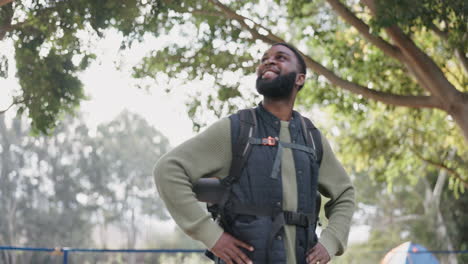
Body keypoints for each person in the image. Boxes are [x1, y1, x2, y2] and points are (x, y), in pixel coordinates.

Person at [154, 43, 355, 264]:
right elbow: (169, 170)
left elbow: (344, 193)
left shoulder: (312, 137)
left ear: (300, 79)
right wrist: (211, 236)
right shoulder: (236, 129)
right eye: (264, 58)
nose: (268, 61)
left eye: (280, 57)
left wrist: (330, 242)